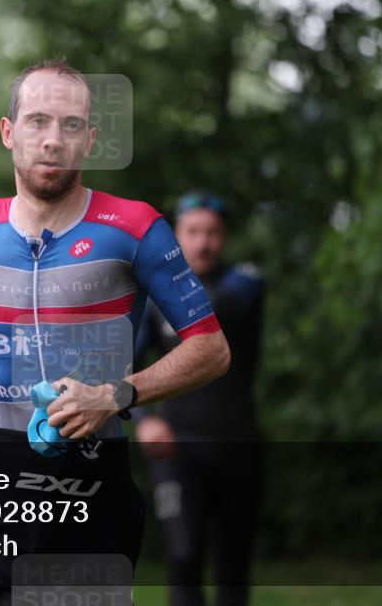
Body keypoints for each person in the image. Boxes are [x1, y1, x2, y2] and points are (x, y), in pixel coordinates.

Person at [0, 59, 232, 606]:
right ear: (8, 132)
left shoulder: (135, 229)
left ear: (89, 140)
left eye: (69, 125)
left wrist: (115, 395)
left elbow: (211, 348)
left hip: (91, 478)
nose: (52, 140)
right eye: (37, 121)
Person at [134, 190, 265, 606]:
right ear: (177, 235)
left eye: (212, 233)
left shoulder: (245, 282)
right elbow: (128, 366)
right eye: (192, 232)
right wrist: (144, 420)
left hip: (238, 444)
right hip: (177, 447)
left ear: (224, 237)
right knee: (184, 553)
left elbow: (219, 306)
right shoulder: (155, 297)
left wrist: (158, 280)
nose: (203, 242)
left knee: (233, 564)